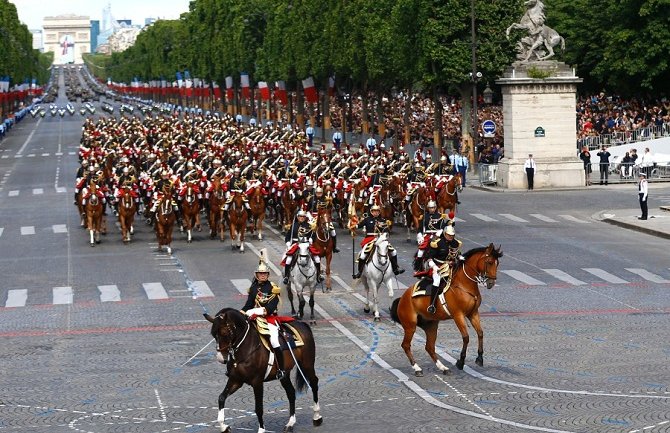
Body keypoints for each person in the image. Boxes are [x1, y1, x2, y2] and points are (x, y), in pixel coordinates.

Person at [241, 254, 286, 379]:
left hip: (269, 319)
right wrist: (241, 313)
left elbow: (270, 308)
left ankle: (281, 369)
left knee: (274, 341)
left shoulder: (273, 288)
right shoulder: (254, 288)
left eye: (265, 273)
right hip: (255, 318)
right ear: (256, 275)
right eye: (260, 274)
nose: (263, 275)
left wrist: (256, 311)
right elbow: (248, 305)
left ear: (268, 274)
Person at [351, 205, 404, 279]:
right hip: (369, 239)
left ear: (379, 212)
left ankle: (395, 269)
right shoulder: (367, 219)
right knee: (363, 255)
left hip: (380, 239)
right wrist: (352, 225)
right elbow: (358, 226)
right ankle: (359, 272)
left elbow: (386, 231)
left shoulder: (383, 220)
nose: (375, 213)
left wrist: (384, 236)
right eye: (374, 211)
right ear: (371, 212)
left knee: (393, 251)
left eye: (377, 211)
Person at [423, 224, 463, 314]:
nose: (451, 237)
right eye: (449, 235)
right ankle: (432, 304)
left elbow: (457, 253)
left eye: (452, 235)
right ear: (445, 234)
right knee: (437, 281)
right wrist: (433, 266)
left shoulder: (456, 243)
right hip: (439, 266)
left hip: (452, 266)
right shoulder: (438, 243)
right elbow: (429, 256)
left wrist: (461, 258)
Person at [282, 210, 323, 283]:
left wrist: (311, 239)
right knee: (289, 259)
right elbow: (288, 236)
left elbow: (313, 235)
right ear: (297, 217)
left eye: (303, 216)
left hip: (306, 244)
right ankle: (286, 276)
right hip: (296, 244)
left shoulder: (309, 225)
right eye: (300, 216)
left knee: (317, 258)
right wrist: (288, 243)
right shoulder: (293, 225)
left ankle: (318, 275)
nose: (301, 218)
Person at [413, 200, 449, 271]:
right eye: (430, 208)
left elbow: (442, 227)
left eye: (432, 208)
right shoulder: (424, 216)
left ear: (435, 208)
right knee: (420, 252)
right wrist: (420, 235)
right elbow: (419, 228)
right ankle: (418, 268)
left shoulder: (440, 216)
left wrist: (439, 233)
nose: (431, 209)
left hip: (437, 236)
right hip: (427, 235)